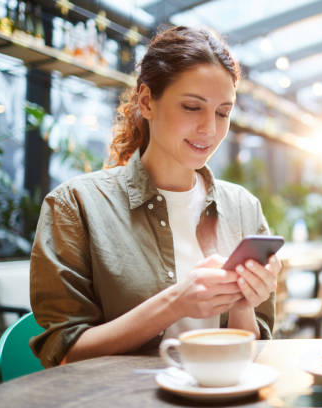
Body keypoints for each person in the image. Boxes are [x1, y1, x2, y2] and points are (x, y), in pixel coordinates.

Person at [29, 26, 281, 368]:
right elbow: (64, 354)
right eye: (193, 107)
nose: (210, 129)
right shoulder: (75, 206)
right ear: (147, 101)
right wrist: (176, 302)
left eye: (223, 112)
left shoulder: (243, 208)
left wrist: (243, 301)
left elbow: (252, 349)